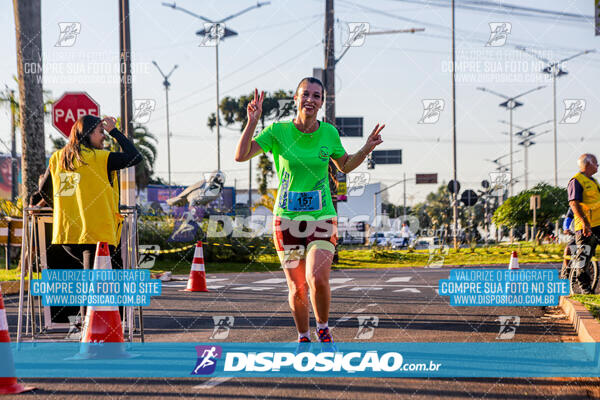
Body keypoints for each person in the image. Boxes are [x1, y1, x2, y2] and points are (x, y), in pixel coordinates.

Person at [234, 78, 385, 344]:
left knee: (317, 278)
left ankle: (323, 327)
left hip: (321, 218)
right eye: (306, 94)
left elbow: (345, 166)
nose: (310, 100)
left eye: (316, 96)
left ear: (321, 103)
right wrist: (253, 121)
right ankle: (303, 336)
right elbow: (241, 155)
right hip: (287, 222)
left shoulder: (329, 133)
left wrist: (366, 148)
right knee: (298, 287)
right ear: (296, 99)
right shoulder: (278, 131)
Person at [35, 115, 142, 316]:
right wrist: (115, 131)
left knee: (90, 283)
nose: (104, 137)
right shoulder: (101, 158)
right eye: (100, 132)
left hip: (67, 235)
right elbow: (135, 156)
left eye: (105, 132)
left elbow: (43, 190)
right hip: (96, 234)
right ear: (87, 133)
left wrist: (63, 210)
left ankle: (88, 329)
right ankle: (90, 334)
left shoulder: (59, 157)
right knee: (95, 286)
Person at [568, 153, 600, 294]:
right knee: (584, 258)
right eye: (596, 163)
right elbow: (574, 204)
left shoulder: (593, 181)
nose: (598, 165)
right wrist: (585, 223)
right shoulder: (576, 181)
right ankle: (584, 287)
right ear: (588, 164)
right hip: (586, 226)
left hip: (598, 224)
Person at [560, 208, 575, 279]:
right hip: (577, 232)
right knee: (568, 250)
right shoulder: (576, 202)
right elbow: (568, 218)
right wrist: (566, 228)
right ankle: (567, 271)